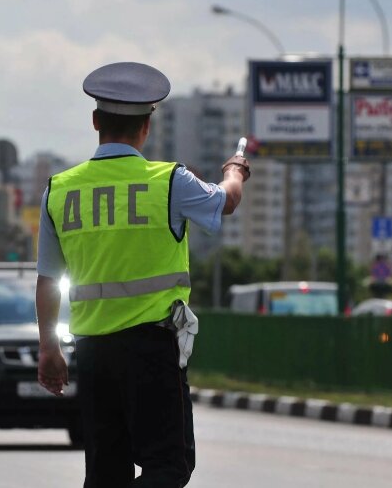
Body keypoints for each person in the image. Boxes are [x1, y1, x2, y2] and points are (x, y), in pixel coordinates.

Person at [35, 62, 250, 487]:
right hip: (151, 350)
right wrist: (235, 171)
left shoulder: (60, 189)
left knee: (105, 471)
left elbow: (46, 279)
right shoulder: (169, 181)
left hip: (92, 351)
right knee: (169, 464)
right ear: (147, 126)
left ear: (95, 121)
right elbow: (225, 202)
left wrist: (48, 348)